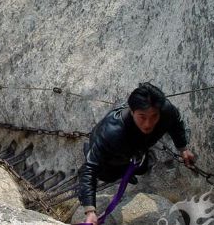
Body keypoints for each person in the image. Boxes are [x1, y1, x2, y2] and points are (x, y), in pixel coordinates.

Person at [78, 82, 195, 225]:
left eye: (153, 117)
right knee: (108, 175)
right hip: (111, 156)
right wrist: (90, 211)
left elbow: (175, 123)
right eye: (142, 117)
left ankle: (133, 166)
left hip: (136, 148)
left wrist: (183, 149)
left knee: (142, 167)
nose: (148, 124)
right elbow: (89, 168)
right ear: (132, 111)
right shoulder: (111, 131)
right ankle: (122, 170)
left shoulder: (166, 111)